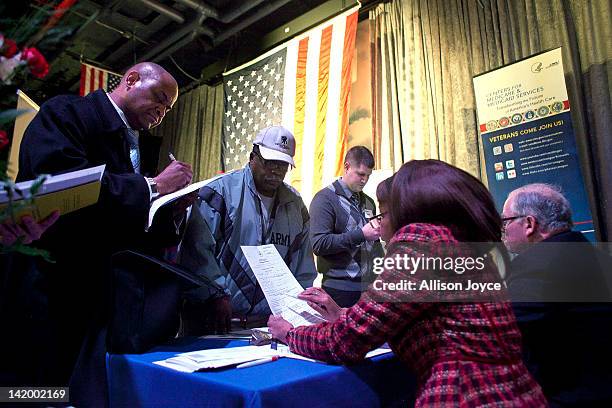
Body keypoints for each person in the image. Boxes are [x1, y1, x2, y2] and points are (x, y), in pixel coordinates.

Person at [269, 160, 546, 407]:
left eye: (384, 213)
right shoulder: (460, 245)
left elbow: (345, 342)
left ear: (410, 211)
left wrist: (289, 333)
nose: (380, 224)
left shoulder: (420, 243)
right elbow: (415, 316)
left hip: (464, 393)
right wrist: (342, 314)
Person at [6, 62, 192, 402]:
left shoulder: (136, 146)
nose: (162, 112)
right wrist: (153, 185)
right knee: (31, 392)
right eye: (160, 98)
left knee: (76, 394)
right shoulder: (66, 113)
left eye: (167, 108)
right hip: (48, 287)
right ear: (132, 80)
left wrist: (170, 209)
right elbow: (59, 187)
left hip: (100, 299)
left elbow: (126, 219)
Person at [178, 126, 316, 334]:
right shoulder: (220, 191)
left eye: (283, 165)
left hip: (267, 325)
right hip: (214, 322)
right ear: (253, 157)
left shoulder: (295, 204)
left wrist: (300, 307)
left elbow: (302, 265)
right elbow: (198, 250)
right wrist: (215, 294)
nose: (276, 171)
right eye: (270, 162)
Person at [502, 183, 612, 406]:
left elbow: (508, 329)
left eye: (506, 221)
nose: (503, 229)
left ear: (529, 224)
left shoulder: (536, 265)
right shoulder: (599, 257)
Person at [309, 146, 384, 307]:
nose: (365, 180)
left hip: (369, 288)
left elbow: (374, 245)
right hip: (339, 289)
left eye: (368, 175)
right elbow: (319, 244)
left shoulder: (369, 202)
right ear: (347, 167)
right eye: (361, 174)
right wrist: (361, 234)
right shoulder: (324, 199)